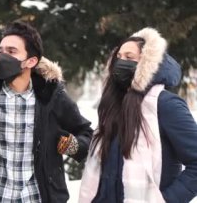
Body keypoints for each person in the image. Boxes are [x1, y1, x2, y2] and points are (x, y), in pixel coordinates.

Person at [0, 20, 93, 202]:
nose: (2, 57)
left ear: (31, 61)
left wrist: (75, 145)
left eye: (11, 52)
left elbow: (87, 134)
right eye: (0, 51)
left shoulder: (52, 98)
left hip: (36, 197)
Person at [79, 27, 197, 202]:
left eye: (129, 57)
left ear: (146, 64)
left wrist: (167, 200)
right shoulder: (114, 104)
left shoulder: (165, 105)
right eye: (118, 57)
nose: (121, 62)